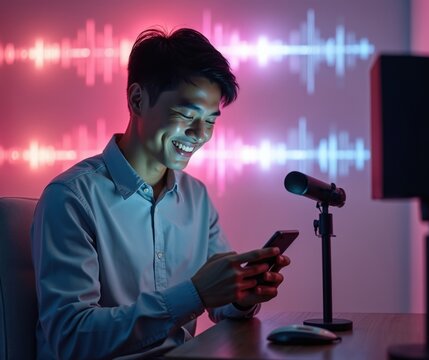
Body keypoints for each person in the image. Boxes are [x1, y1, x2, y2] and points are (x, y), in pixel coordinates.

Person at [31, 27, 290, 359]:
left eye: (210, 121)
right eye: (186, 115)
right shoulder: (70, 198)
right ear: (137, 99)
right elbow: (72, 338)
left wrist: (241, 296)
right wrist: (194, 294)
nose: (200, 135)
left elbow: (220, 300)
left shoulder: (196, 198)